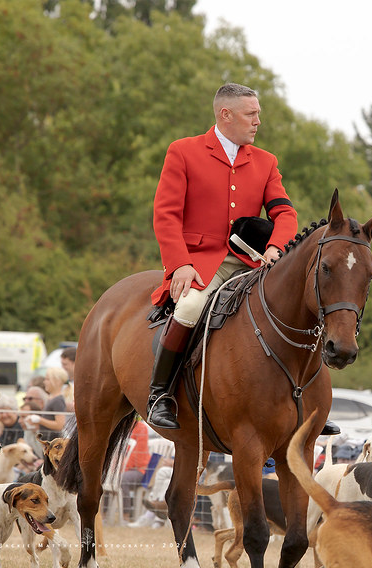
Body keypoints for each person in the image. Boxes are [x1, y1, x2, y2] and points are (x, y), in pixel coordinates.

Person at [145, 82, 297, 431]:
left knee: (297, 304)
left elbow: (285, 213)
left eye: (258, 113)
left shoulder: (265, 161)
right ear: (225, 115)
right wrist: (180, 264)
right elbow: (166, 215)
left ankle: (305, 400)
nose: (258, 121)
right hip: (200, 261)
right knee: (189, 308)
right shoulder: (183, 151)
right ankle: (159, 395)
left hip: (252, 262)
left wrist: (277, 246)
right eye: (251, 114)